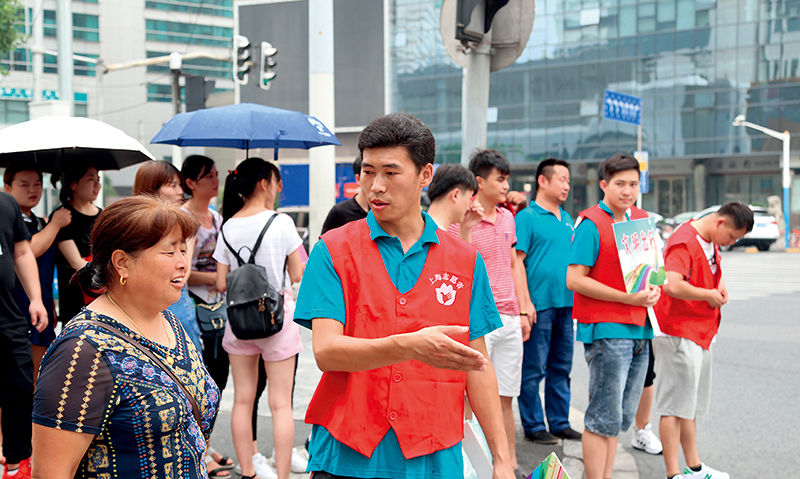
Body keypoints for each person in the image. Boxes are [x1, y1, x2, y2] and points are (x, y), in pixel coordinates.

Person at [294, 113, 514, 479]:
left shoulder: (464, 259)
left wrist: (502, 459)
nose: (375, 186)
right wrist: (409, 345)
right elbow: (327, 351)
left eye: (390, 172)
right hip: (347, 455)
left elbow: (478, 365)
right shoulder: (333, 249)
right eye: (368, 172)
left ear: (425, 175)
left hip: (432, 456)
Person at [32, 196, 219, 479]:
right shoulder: (83, 349)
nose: (183, 263)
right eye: (170, 252)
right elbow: (51, 472)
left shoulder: (170, 322)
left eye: (184, 250)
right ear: (121, 262)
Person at [565, 153, 661, 479]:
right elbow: (575, 279)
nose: (627, 190)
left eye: (633, 184)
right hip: (608, 329)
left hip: (640, 330)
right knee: (601, 417)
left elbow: (648, 274)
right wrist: (627, 297)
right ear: (604, 185)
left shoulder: (641, 221)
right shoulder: (591, 223)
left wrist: (653, 290)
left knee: (618, 418)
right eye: (619, 184)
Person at [213, 157, 305, 479]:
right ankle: (281, 476)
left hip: (238, 324)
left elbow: (221, 283)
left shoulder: (227, 227)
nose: (278, 190)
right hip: (277, 321)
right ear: (265, 183)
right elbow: (296, 274)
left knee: (242, 400)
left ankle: (249, 472)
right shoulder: (281, 223)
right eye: (276, 182)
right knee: (281, 404)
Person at [443, 149, 533, 474]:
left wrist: (524, 307)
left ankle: (507, 463)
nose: (506, 185)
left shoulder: (508, 218)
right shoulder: (462, 217)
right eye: (500, 178)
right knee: (474, 398)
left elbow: (513, 263)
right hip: (478, 319)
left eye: (507, 179)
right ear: (479, 182)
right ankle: (472, 465)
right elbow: (456, 260)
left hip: (509, 315)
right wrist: (468, 227)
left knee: (506, 397)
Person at [652, 202, 753, 479]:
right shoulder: (684, 240)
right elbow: (672, 284)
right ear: (720, 223)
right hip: (677, 331)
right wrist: (707, 295)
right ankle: (673, 473)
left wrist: (718, 287)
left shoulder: (709, 239)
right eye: (732, 237)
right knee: (674, 407)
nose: (731, 243)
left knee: (689, 405)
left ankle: (694, 467)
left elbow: (709, 273)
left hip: (699, 331)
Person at [514, 158, 582, 444]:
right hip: (539, 306)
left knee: (561, 368)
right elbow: (517, 262)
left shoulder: (567, 219)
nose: (567, 185)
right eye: (562, 179)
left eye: (568, 180)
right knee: (533, 369)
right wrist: (525, 304)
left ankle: (559, 421)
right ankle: (533, 425)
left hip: (566, 306)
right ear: (543, 181)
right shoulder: (527, 217)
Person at [180, 154, 236, 474]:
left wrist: (221, 279)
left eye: (216, 174)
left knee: (218, 379)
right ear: (191, 183)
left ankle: (205, 443)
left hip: (218, 306)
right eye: (208, 176)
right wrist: (216, 278)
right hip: (194, 306)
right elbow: (184, 271)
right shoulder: (184, 218)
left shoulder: (216, 217)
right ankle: (196, 452)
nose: (216, 180)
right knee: (198, 380)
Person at [4, 165, 70, 380]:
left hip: (41, 306)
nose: (33, 190)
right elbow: (27, 250)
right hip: (18, 309)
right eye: (24, 185)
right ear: (7, 187)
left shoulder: (39, 221)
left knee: (42, 373)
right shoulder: (13, 221)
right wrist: (56, 224)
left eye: (37, 184)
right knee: (27, 375)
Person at [0, 191, 48, 479]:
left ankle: (19, 462)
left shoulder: (6, 204)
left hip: (9, 315)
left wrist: (36, 298)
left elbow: (21, 251)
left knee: (20, 386)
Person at [133, 160, 203, 353]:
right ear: (152, 189)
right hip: (158, 306)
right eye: (172, 185)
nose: (180, 191)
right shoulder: (136, 225)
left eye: (180, 184)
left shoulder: (181, 222)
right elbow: (182, 274)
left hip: (169, 305)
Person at [51, 160, 102, 323]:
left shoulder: (104, 216)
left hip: (102, 296)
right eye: (90, 180)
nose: (97, 185)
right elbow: (76, 262)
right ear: (73, 184)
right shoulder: (63, 217)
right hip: (75, 297)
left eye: (98, 180)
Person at [321, 153, 369, 234]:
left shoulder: (385, 210)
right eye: (369, 173)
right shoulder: (339, 212)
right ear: (358, 178)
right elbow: (325, 244)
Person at [426, 163, 480, 233]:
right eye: (470, 198)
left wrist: (466, 229)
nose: (470, 206)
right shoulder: (441, 238)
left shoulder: (416, 231)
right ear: (455, 195)